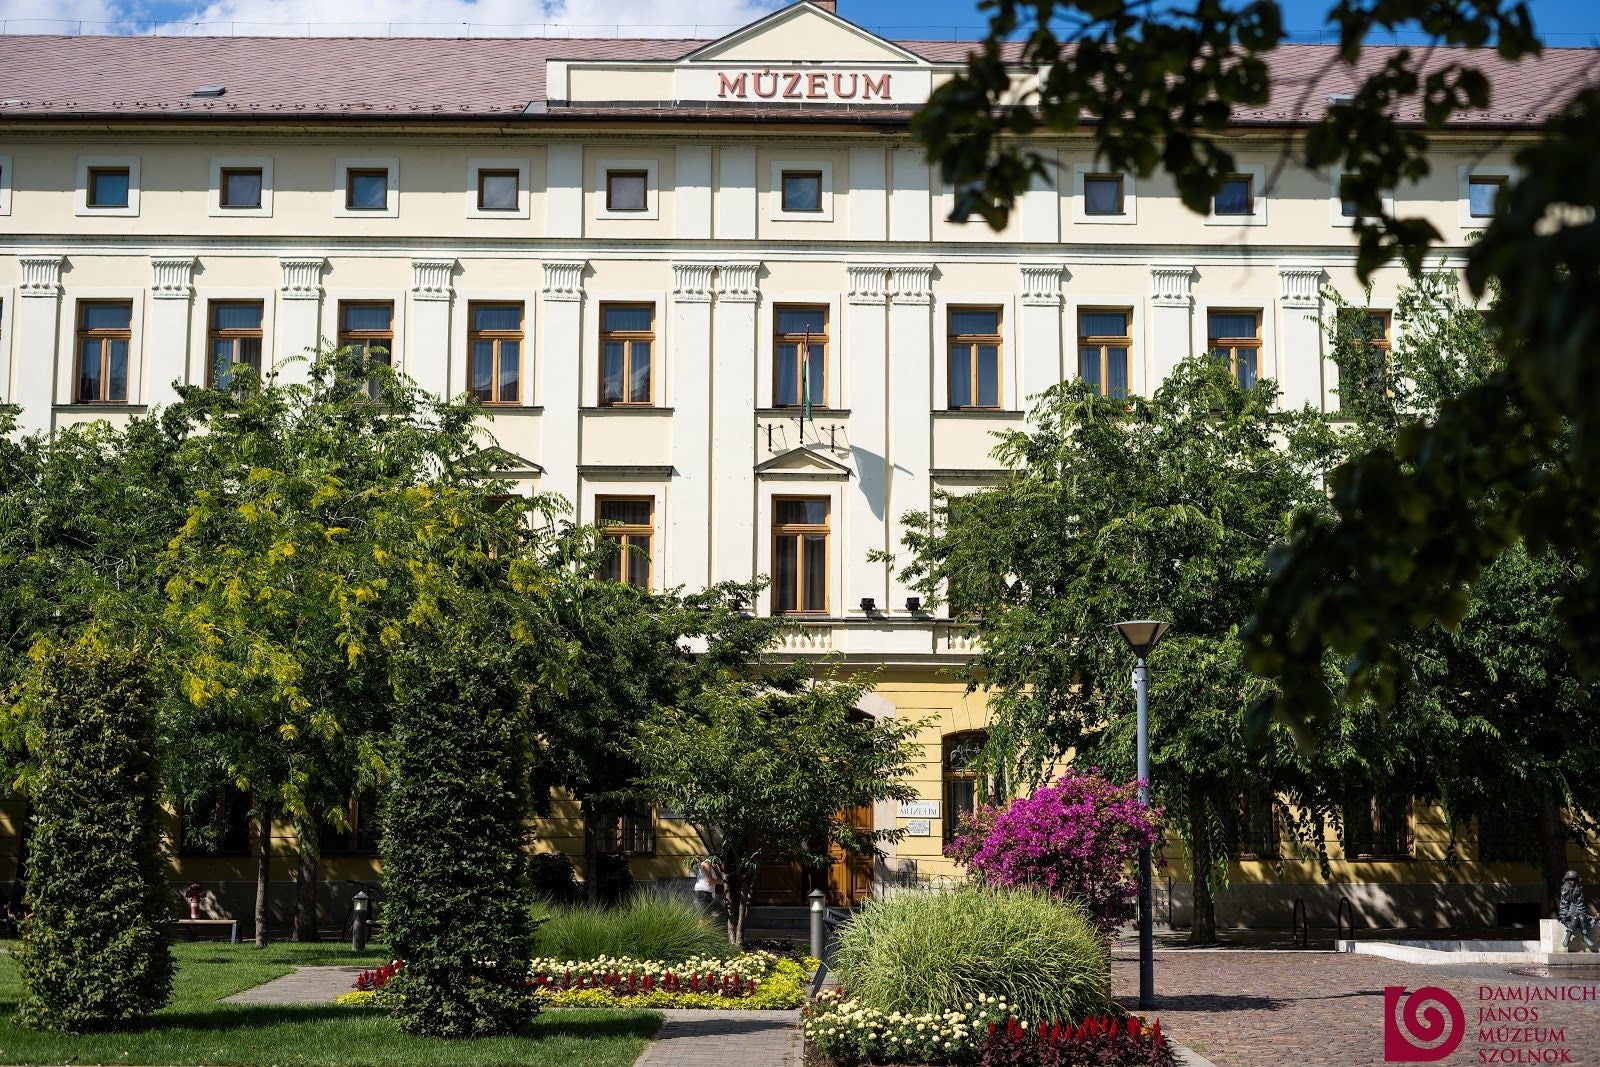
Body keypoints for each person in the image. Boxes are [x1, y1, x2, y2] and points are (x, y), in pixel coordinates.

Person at [1558, 870, 1595, 951]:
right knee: (1575, 918)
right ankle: (1568, 937)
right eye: (1570, 880)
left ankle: (1584, 937)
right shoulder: (1565, 890)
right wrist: (1563, 915)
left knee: (1581, 917)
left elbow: (1580, 903)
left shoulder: (1579, 889)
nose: (1572, 882)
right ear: (1567, 881)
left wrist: (1580, 911)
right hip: (1569, 911)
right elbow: (1564, 904)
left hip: (1578, 909)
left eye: (1574, 880)